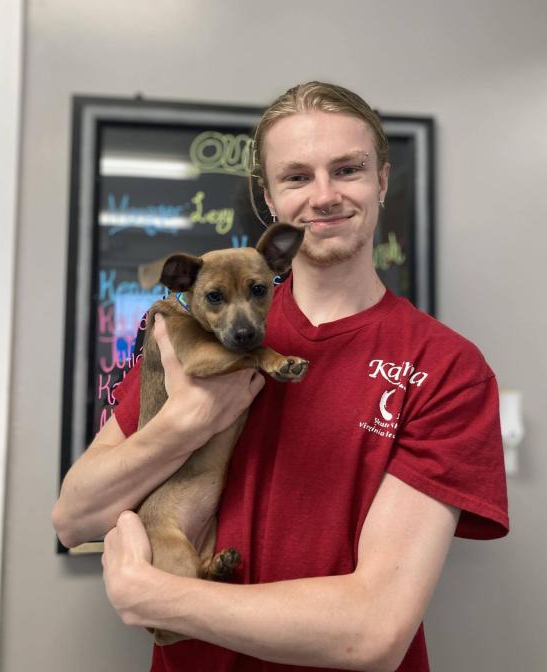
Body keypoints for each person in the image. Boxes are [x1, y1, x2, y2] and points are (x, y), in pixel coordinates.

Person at [52, 81, 509, 672]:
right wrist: (191, 420)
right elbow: (74, 517)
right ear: (268, 198)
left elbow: (371, 633)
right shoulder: (200, 334)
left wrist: (159, 596)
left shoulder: (444, 367)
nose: (324, 196)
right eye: (296, 177)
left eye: (348, 169)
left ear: (382, 182)